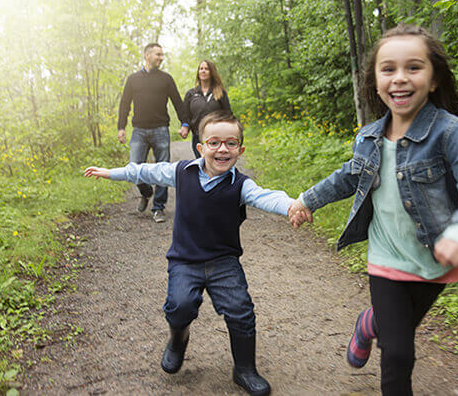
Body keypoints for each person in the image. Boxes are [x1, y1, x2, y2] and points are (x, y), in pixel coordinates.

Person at [288, 24, 458, 395]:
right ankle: (380, 326)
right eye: (388, 69)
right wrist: (307, 200)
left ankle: (369, 323)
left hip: (435, 260)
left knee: (392, 327)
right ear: (375, 81)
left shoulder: (448, 132)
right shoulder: (369, 135)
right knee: (399, 353)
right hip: (385, 258)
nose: (400, 78)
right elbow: (346, 177)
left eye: (413, 67)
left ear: (433, 80)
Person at [85, 111, 304, 396]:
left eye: (231, 143)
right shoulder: (181, 172)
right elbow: (145, 171)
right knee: (179, 306)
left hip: (223, 262)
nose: (222, 149)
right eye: (214, 142)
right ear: (201, 147)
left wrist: (292, 205)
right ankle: (178, 340)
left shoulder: (241, 185)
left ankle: (245, 369)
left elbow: (267, 196)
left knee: (240, 311)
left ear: (240, 149)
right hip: (185, 260)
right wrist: (111, 173)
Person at [117, 43, 189, 223]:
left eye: (162, 55)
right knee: (134, 167)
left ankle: (159, 208)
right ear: (147, 55)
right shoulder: (133, 79)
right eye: (158, 54)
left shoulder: (166, 79)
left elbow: (177, 102)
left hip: (160, 130)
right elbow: (124, 104)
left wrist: (185, 123)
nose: (161, 58)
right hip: (138, 131)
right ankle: (146, 192)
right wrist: (121, 127)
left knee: (163, 169)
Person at [179, 60, 232, 158]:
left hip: (216, 136)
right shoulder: (191, 94)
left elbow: (228, 114)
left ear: (212, 72)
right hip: (198, 136)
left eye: (206, 69)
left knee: (215, 163)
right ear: (198, 72)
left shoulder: (220, 93)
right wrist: (185, 126)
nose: (203, 71)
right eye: (201, 68)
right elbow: (185, 115)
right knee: (201, 163)